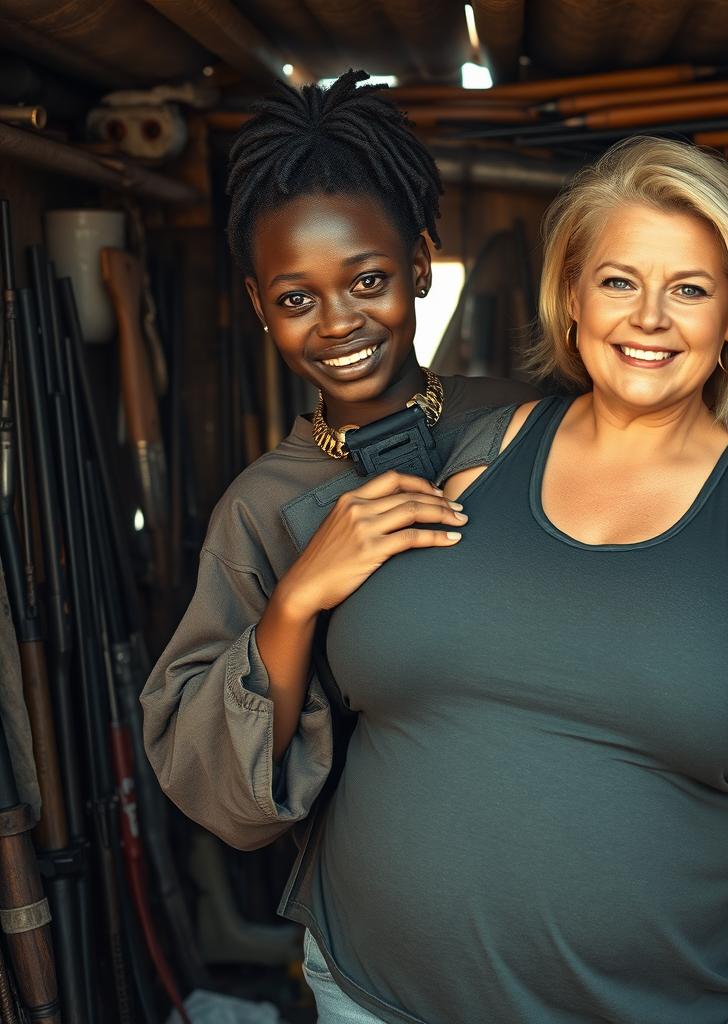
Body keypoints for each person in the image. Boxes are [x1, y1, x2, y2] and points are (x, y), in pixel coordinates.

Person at [291, 136, 728, 1023]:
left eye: (690, 289)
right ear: (571, 300)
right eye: (619, 281)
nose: (649, 318)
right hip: (373, 997)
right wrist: (298, 594)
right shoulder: (470, 455)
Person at [139, 67, 536, 1007]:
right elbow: (220, 786)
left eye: (367, 280)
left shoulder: (530, 422)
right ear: (255, 304)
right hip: (379, 957)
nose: (339, 324)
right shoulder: (259, 507)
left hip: (560, 925)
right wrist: (299, 599)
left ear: (422, 266)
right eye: (295, 298)